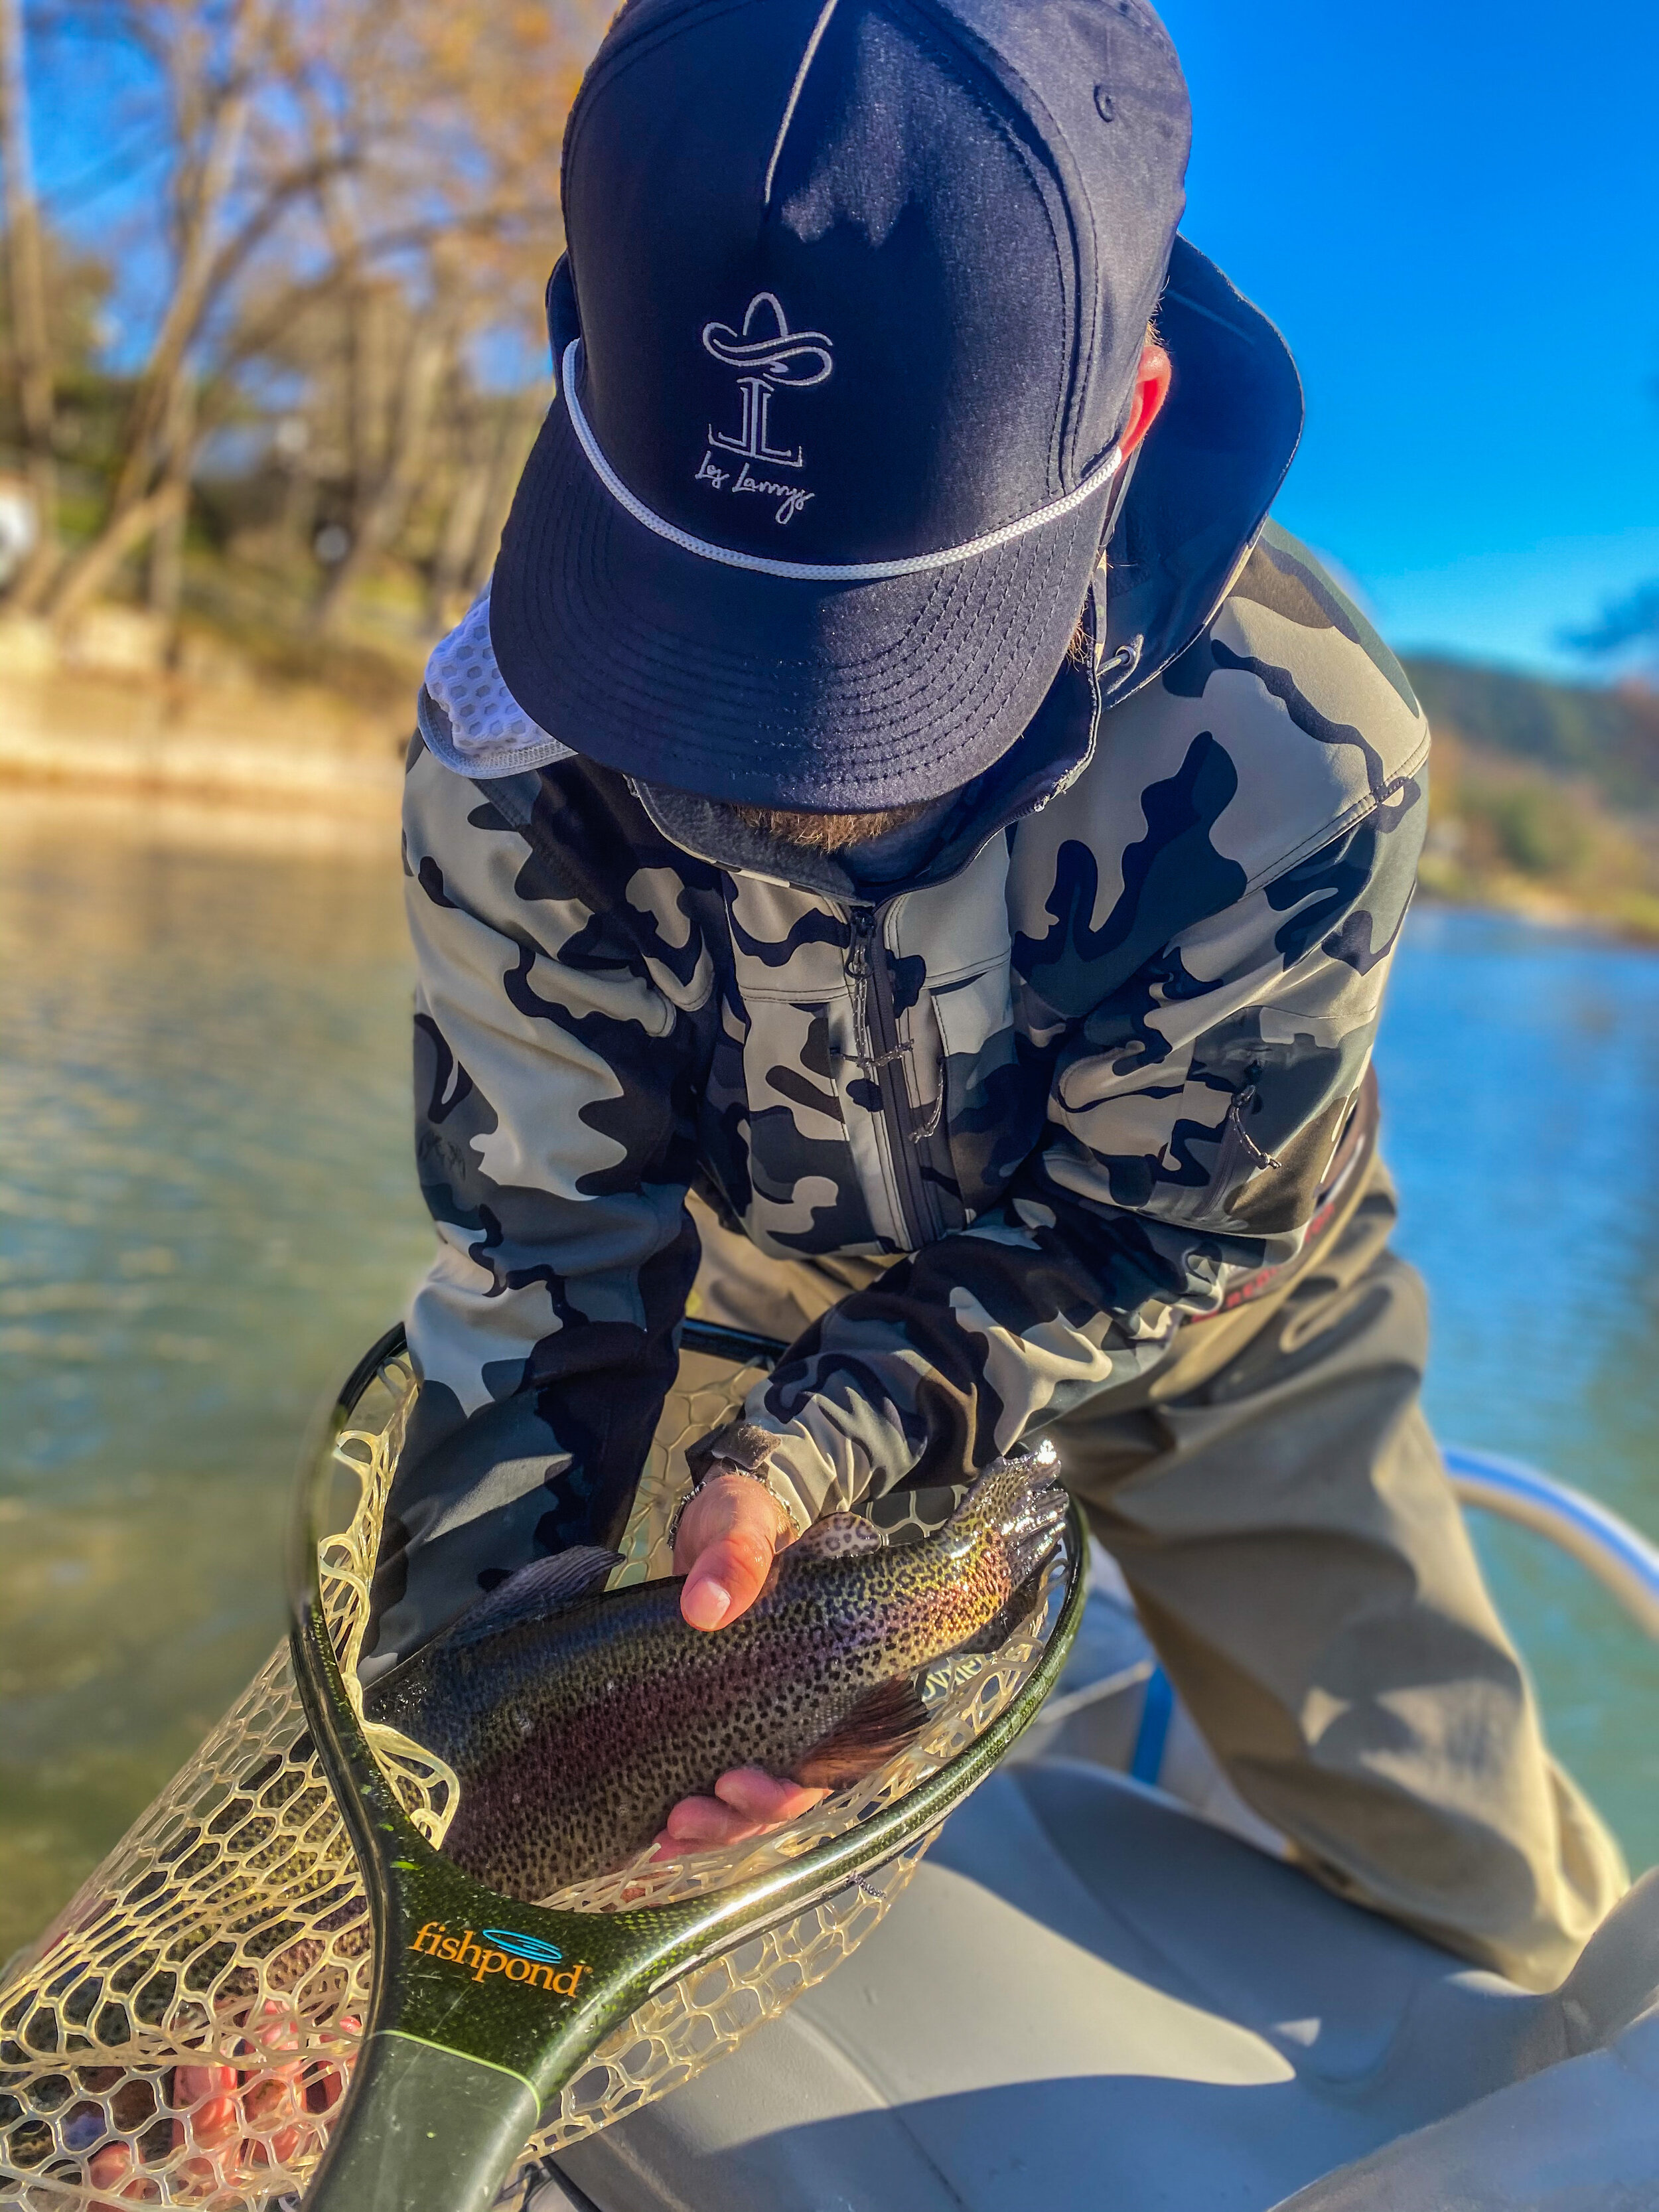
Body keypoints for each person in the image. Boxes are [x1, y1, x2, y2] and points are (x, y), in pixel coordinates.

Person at [365, 0, 1624, 1990]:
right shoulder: (500, 746)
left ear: (1127, 418)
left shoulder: (1306, 740)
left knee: (1466, 1875)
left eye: (883, 672)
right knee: (594, 1823)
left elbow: (1155, 1231)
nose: (761, 782)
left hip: (1227, 1318)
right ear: (587, 363)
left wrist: (829, 1451)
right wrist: (468, 1751)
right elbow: (538, 1255)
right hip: (746, 1289)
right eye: (688, 651)